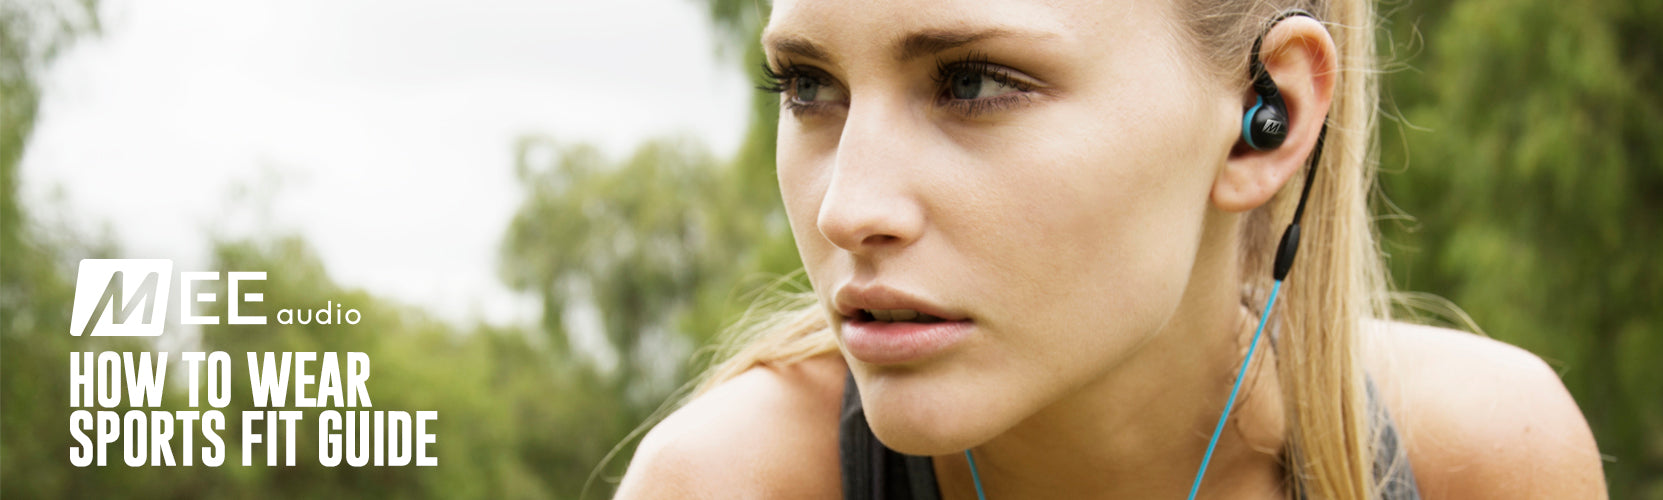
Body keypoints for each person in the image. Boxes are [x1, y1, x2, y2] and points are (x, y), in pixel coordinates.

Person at [614, 0, 1607, 498]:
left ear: (1268, 115)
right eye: (808, 87)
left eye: (972, 82)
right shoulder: (729, 483)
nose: (847, 207)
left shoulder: (1480, 463)